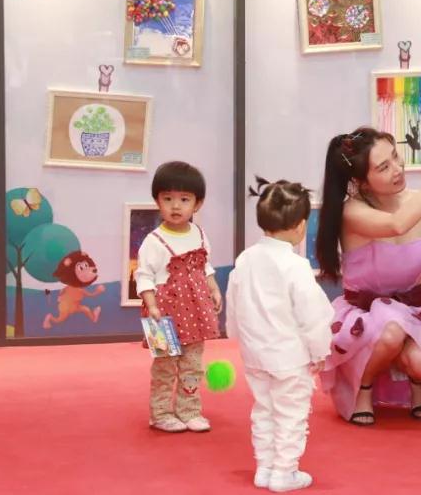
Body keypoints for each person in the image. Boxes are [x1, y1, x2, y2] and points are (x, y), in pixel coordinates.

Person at [317, 127, 421, 425]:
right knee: (390, 331)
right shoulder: (351, 212)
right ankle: (363, 385)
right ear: (360, 181)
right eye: (383, 167)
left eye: (395, 156)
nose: (397, 168)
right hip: (365, 317)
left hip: (413, 309)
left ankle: (414, 377)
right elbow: (397, 224)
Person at [226, 179, 334, 492]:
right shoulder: (296, 265)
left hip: (255, 355)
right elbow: (312, 314)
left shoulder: (245, 259)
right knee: (291, 413)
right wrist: (320, 351)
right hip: (289, 356)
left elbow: (234, 302)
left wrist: (236, 336)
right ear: (300, 226)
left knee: (263, 409)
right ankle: (284, 471)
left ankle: (264, 467)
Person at [135, 161, 222, 434]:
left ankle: (189, 410)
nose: (175, 206)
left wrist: (213, 288)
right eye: (167, 198)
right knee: (164, 365)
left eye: (184, 199)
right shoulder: (153, 241)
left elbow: (204, 266)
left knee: (192, 364)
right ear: (157, 201)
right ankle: (160, 413)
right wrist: (151, 305)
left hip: (195, 312)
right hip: (162, 314)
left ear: (198, 204)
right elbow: (143, 276)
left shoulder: (200, 234)